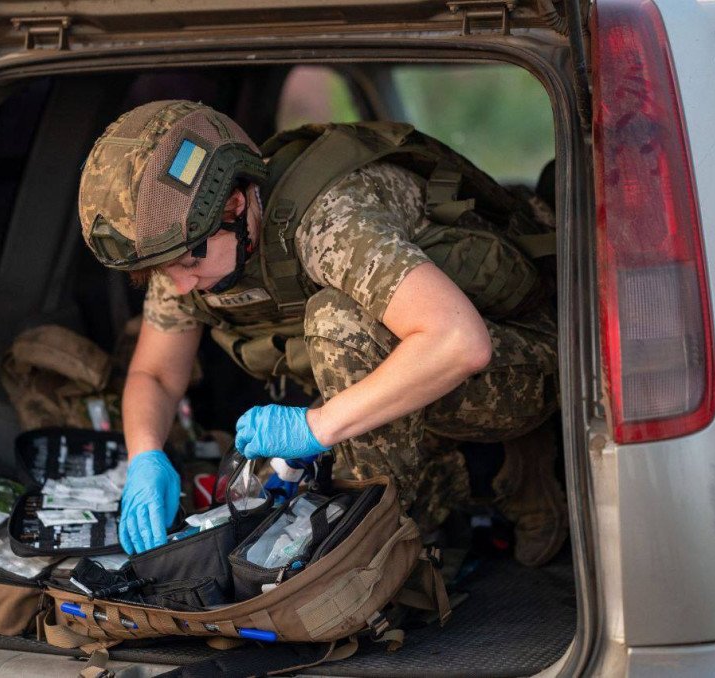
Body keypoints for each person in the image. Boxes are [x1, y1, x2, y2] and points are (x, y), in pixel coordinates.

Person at [78, 100, 564, 565]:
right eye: (162, 272)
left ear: (235, 205)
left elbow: (459, 342)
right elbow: (156, 374)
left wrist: (317, 428)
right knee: (260, 487)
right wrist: (145, 455)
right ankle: (473, 476)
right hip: (405, 377)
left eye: (189, 262)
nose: (180, 284)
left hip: (530, 362)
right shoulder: (188, 251)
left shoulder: (330, 221)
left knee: (339, 324)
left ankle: (405, 531)